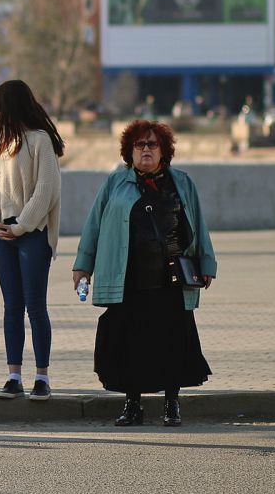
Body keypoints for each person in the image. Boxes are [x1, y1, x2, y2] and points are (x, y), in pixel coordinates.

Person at [72, 120, 216, 427]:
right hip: (128, 279)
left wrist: (207, 264)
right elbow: (93, 226)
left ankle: (171, 404)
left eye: (152, 144)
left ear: (164, 151)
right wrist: (83, 266)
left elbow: (198, 225)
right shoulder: (114, 183)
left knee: (172, 341)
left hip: (171, 278)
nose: (146, 150)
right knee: (130, 344)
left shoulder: (182, 182)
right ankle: (132, 404)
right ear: (129, 151)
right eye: (140, 145)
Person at [0, 80, 63, 401]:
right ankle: (13, 375)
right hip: (3, 235)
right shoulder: (4, 145)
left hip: (31, 235)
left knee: (35, 306)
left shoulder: (40, 141)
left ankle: (41, 377)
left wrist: (20, 226)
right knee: (11, 308)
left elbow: (45, 191)